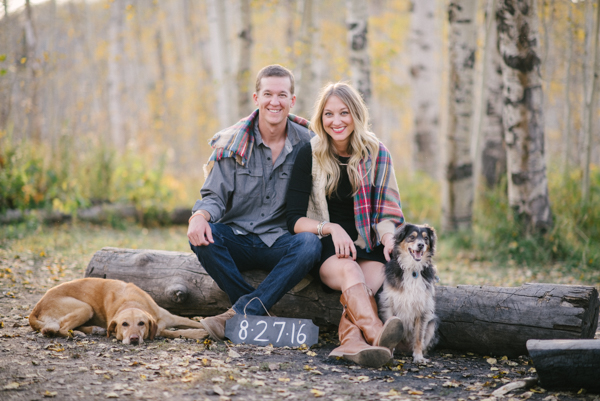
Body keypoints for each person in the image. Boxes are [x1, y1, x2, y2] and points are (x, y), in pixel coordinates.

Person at [188, 65, 322, 341]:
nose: (275, 102)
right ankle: (254, 310)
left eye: (282, 95)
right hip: (237, 237)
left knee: (310, 244)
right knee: (202, 236)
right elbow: (214, 196)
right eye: (268, 94)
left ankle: (240, 313)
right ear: (256, 98)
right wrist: (199, 215)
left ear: (292, 101)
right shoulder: (233, 142)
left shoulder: (309, 144)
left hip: (280, 241)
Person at [286, 82, 405, 367]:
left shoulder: (377, 153)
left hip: (369, 245)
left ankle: (351, 343)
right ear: (320, 118)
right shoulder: (309, 154)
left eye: (344, 113)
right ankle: (377, 333)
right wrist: (331, 228)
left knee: (365, 283)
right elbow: (294, 219)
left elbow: (388, 210)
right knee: (350, 270)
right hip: (328, 250)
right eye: (328, 114)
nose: (336, 121)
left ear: (356, 114)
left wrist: (389, 239)